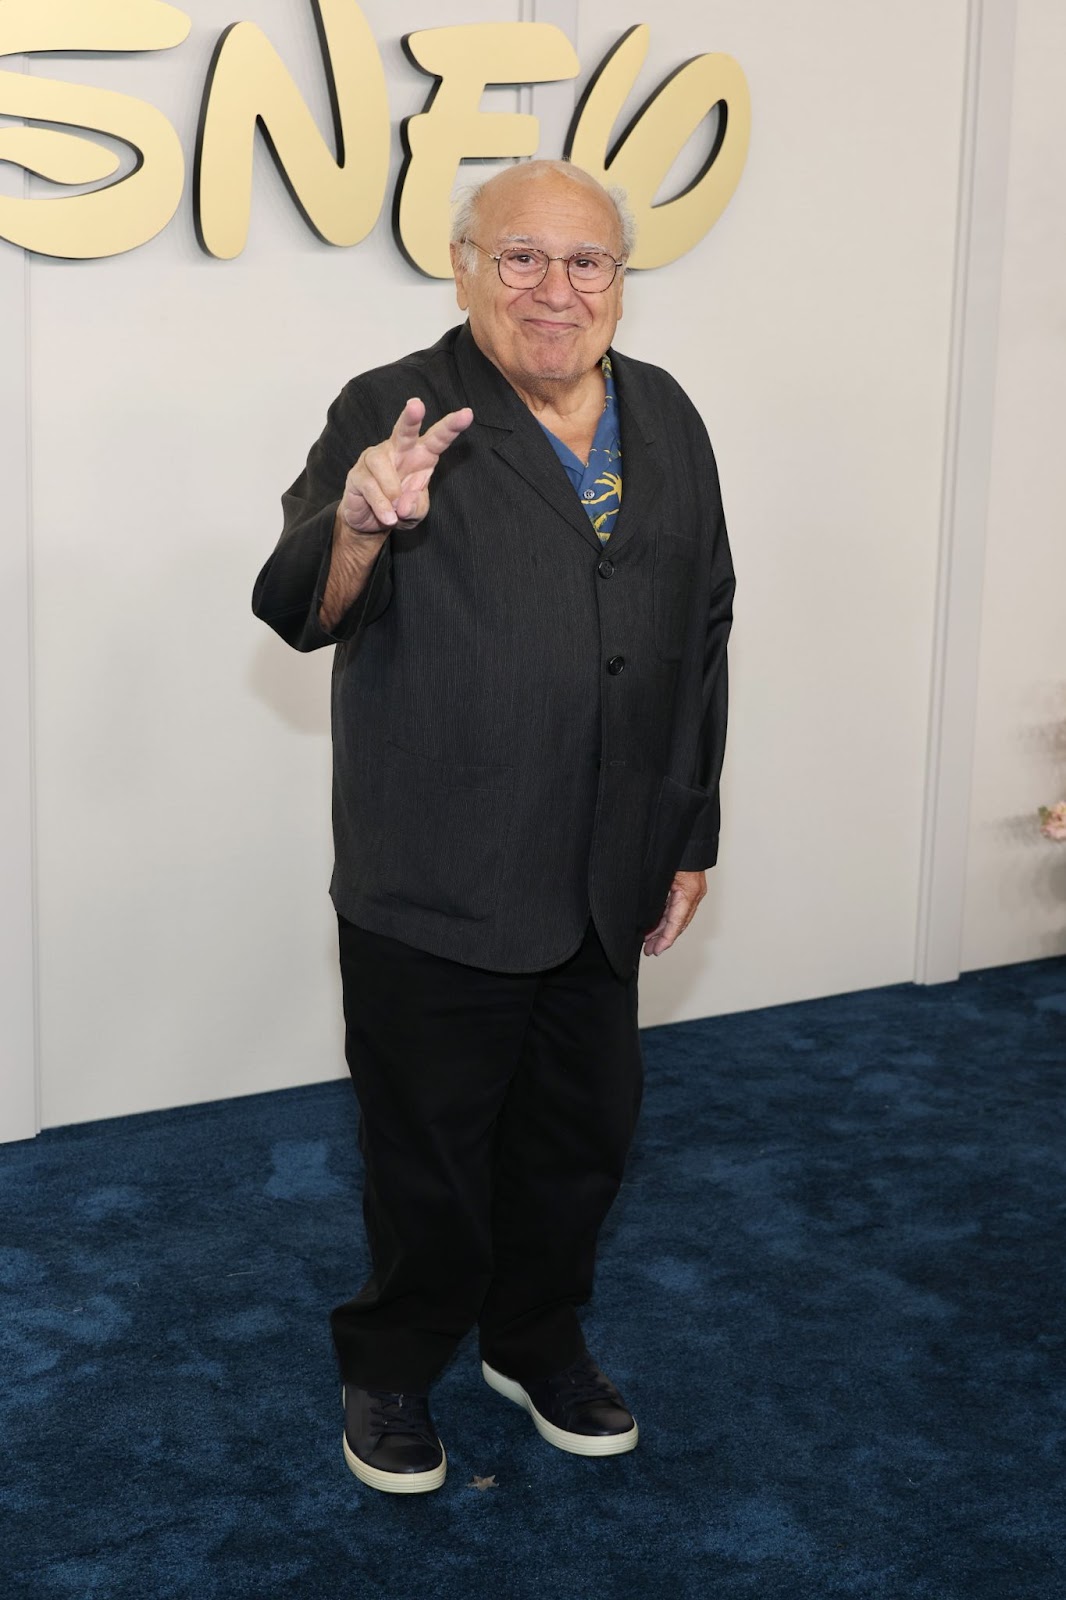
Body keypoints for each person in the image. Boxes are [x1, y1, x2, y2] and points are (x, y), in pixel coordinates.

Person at [252, 159, 734, 1495]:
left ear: (618, 285)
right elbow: (301, 605)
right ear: (463, 266)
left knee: (581, 1134)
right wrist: (356, 519)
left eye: (586, 263)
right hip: (438, 870)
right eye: (519, 257)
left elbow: (703, 627)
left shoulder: (668, 414)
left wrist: (688, 827)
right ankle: (394, 1362)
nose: (554, 289)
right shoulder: (392, 407)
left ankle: (536, 1334)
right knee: (428, 1146)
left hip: (606, 862)